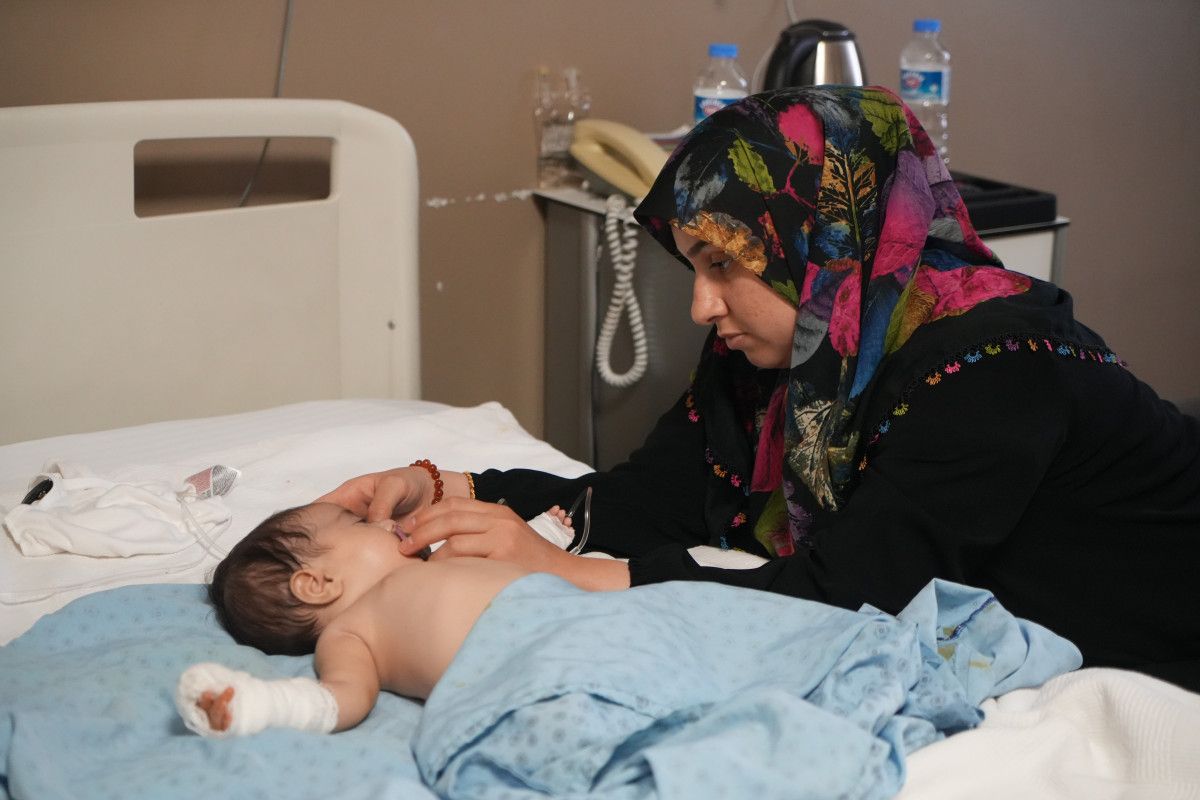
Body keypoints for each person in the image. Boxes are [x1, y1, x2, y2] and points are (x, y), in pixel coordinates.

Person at [320, 86, 1200, 691]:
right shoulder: (788, 353)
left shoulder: (994, 369)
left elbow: (846, 599)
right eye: (693, 268)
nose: (702, 307)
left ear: (819, 239)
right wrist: (450, 488)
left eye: (722, 266)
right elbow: (649, 501)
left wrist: (566, 574)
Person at [178, 499, 578, 735]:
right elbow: (341, 698)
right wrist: (261, 704)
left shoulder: (439, 563)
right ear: (318, 584)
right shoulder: (351, 634)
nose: (387, 521)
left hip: (583, 622)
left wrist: (544, 534)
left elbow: (509, 557)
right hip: (535, 682)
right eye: (360, 523)